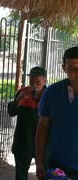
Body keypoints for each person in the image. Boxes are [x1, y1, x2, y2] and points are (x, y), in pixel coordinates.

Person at [36, 46, 78, 180]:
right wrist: (39, 162)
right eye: (72, 69)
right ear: (64, 68)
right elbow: (42, 127)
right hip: (59, 168)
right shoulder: (52, 93)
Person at [7, 66, 47, 180]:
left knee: (45, 173)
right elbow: (11, 112)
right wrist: (19, 99)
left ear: (45, 80)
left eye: (38, 82)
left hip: (44, 142)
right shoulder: (23, 92)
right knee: (21, 175)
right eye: (31, 82)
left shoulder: (50, 95)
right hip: (23, 140)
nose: (34, 85)